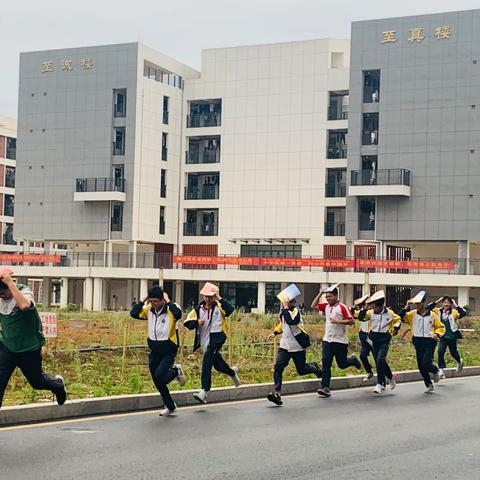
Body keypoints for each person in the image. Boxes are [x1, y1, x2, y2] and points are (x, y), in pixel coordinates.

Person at [0, 268, 67, 408]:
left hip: (28, 349)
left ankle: (58, 385)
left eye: (4, 293)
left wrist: (10, 283)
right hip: (7, 347)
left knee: (37, 382)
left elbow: (24, 306)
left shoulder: (24, 292)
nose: (2, 297)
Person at [130, 285, 185, 416]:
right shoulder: (149, 310)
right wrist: (143, 300)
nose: (154, 304)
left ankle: (176, 371)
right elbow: (134, 313)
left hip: (168, 349)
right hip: (155, 349)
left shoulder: (171, 309)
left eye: (156, 301)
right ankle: (170, 406)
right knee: (157, 380)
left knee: (161, 376)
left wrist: (168, 301)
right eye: (151, 301)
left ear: (162, 300)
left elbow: (179, 314)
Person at [184, 282, 240, 404]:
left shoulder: (220, 307)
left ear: (215, 296)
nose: (208, 299)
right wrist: (196, 322)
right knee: (218, 365)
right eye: (206, 296)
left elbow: (230, 310)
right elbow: (187, 322)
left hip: (217, 338)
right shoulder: (198, 309)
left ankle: (204, 391)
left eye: (211, 296)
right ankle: (232, 372)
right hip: (204, 341)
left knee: (207, 361)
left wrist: (219, 298)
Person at [266, 289, 321, 406]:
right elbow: (283, 325)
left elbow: (292, 321)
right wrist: (275, 333)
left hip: (297, 346)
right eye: (284, 302)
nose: (285, 304)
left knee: (301, 370)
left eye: (287, 302)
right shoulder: (284, 313)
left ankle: (315, 368)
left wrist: (285, 308)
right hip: (285, 346)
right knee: (278, 367)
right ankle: (277, 394)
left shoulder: (296, 312)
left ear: (292, 303)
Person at [311, 284, 361, 397]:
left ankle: (353, 360)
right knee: (326, 364)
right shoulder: (327, 307)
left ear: (336, 296)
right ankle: (325, 387)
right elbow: (313, 305)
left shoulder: (342, 307)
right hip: (327, 340)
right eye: (327, 297)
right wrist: (320, 293)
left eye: (330, 296)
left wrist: (338, 322)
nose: (328, 299)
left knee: (342, 364)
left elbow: (351, 321)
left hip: (340, 341)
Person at [400, 291, 445, 393]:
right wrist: (406, 306)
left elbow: (440, 327)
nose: (417, 306)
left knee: (426, 363)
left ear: (423, 303)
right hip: (418, 341)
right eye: (416, 304)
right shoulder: (412, 315)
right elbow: (401, 317)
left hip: (430, 341)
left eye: (419, 303)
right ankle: (429, 384)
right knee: (421, 366)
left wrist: (436, 334)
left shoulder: (432, 315)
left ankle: (435, 370)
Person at [357, 290, 401, 394]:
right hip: (373, 338)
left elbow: (398, 319)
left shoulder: (389, 313)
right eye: (373, 307)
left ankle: (380, 384)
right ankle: (390, 377)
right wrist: (365, 308)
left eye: (376, 307)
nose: (374, 309)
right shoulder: (370, 313)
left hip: (384, 338)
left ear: (381, 306)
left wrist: (395, 328)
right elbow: (360, 317)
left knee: (380, 359)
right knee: (379, 360)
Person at [428, 296, 466, 379]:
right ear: (442, 303)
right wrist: (437, 300)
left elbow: (463, 313)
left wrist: (456, 304)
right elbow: (428, 308)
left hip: (452, 336)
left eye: (448, 303)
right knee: (440, 351)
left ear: (451, 304)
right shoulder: (438, 311)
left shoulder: (454, 312)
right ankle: (441, 369)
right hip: (443, 336)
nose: (446, 304)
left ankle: (459, 361)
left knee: (453, 352)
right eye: (444, 302)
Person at [351, 294, 375, 382]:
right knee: (362, 355)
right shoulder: (362, 311)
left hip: (374, 336)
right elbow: (355, 314)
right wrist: (359, 303)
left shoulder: (375, 311)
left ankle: (383, 379)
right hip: (365, 337)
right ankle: (369, 371)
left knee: (378, 358)